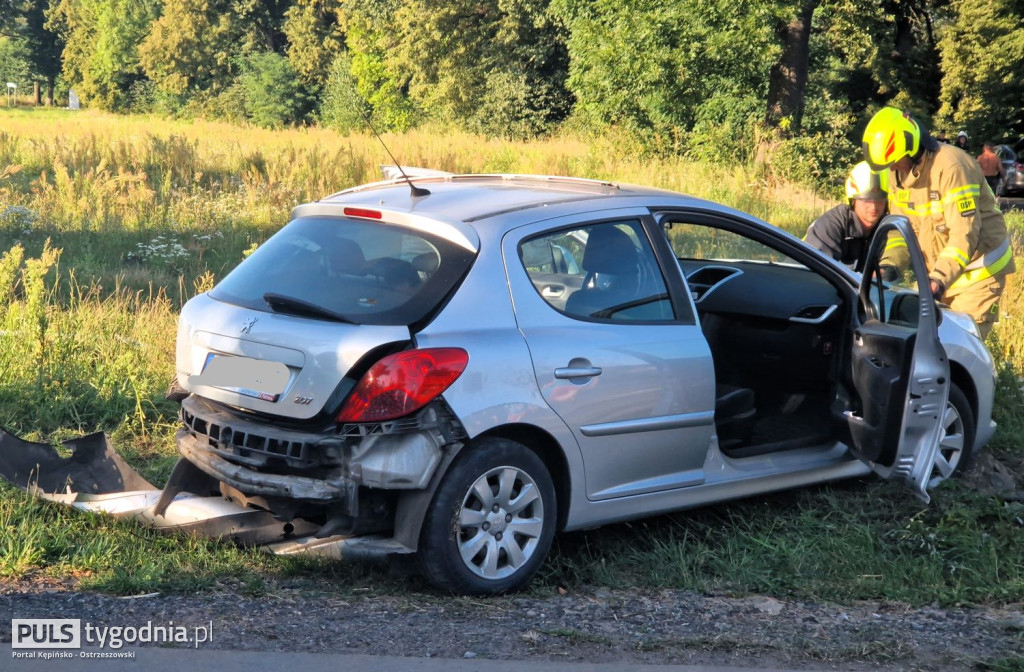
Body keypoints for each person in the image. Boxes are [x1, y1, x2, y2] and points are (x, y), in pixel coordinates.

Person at [862, 107, 1015, 339]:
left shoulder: (952, 167)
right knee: (923, 342)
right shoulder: (898, 176)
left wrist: (937, 280)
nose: (892, 168)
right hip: (940, 275)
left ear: (912, 148)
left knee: (958, 345)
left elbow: (964, 234)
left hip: (979, 272)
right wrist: (888, 267)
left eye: (894, 161)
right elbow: (900, 232)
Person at [804, 161, 888, 271]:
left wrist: (887, 271)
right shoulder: (830, 225)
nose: (873, 207)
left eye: (879, 200)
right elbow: (818, 271)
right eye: (866, 200)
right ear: (853, 201)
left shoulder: (887, 225)